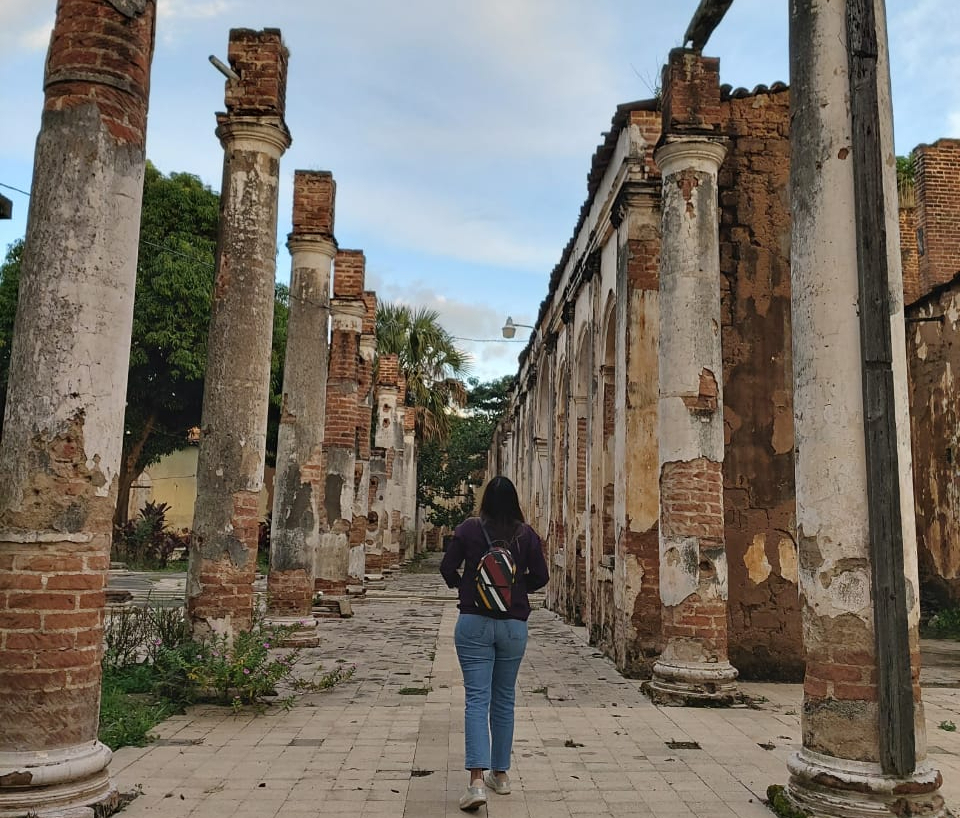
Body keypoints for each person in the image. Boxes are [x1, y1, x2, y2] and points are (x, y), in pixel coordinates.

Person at [440, 475, 550, 811]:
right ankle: (500, 775)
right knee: (503, 700)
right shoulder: (526, 534)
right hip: (513, 626)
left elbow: (447, 568)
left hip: (474, 622)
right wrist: (513, 593)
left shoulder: (469, 529)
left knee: (476, 699)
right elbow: (542, 577)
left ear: (485, 500)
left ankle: (476, 782)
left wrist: (469, 588)